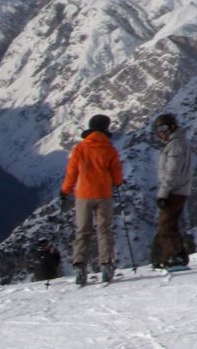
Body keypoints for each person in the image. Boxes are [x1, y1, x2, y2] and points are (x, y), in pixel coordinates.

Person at [61, 112, 124, 285]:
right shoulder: (109, 149)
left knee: (82, 231)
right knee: (103, 230)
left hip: (83, 195)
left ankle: (80, 266)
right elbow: (117, 172)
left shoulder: (80, 149)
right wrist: (117, 183)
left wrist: (65, 191)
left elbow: (72, 173)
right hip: (104, 194)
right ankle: (106, 265)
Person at [152, 112, 193, 270]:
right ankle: (179, 254)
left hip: (174, 190)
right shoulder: (177, 143)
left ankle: (173, 257)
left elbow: (172, 172)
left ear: (172, 127)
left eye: (164, 127)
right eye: (158, 129)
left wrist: (163, 193)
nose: (161, 132)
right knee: (171, 224)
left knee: (165, 225)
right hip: (179, 189)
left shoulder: (175, 145)